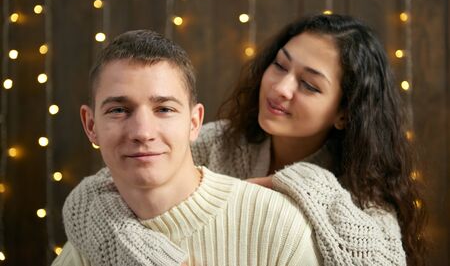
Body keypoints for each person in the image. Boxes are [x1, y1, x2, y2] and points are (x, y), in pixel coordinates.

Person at [60, 14, 426, 266]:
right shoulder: (215, 141)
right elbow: (93, 194)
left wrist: (311, 185)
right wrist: (144, 254)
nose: (281, 88)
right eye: (280, 66)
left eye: (310, 85)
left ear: (345, 112)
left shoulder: (363, 197)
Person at [52, 30, 322, 266]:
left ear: (194, 123)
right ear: (90, 126)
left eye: (164, 109)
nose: (142, 132)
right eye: (119, 110)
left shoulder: (275, 223)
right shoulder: (89, 243)